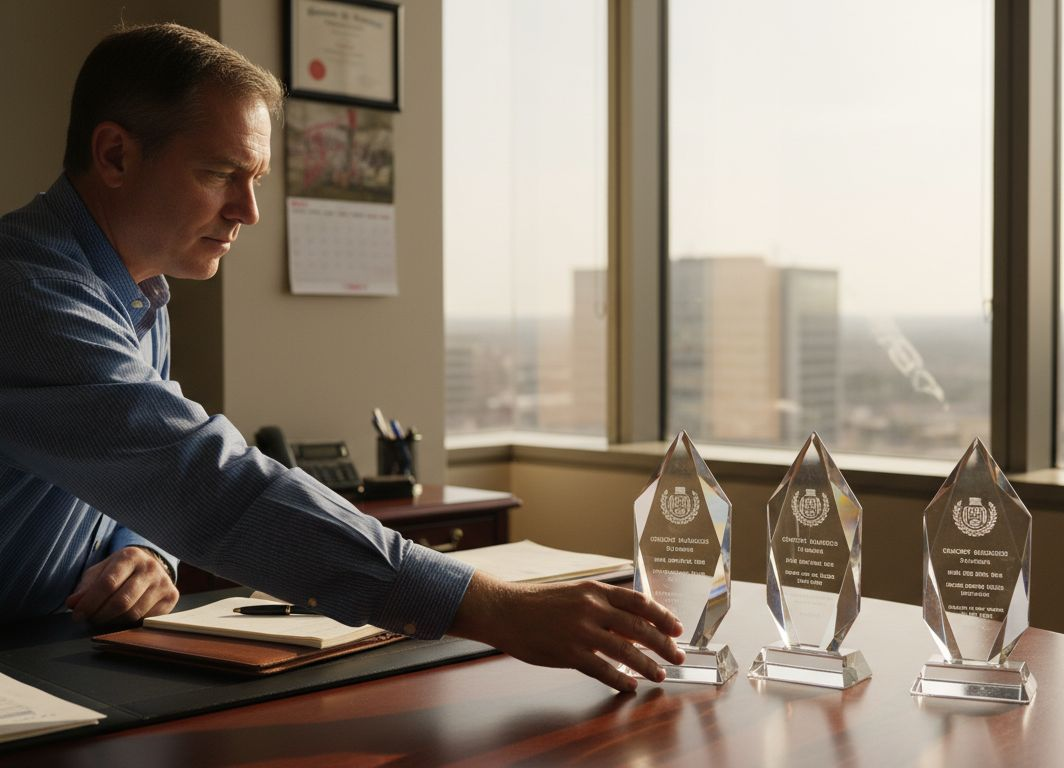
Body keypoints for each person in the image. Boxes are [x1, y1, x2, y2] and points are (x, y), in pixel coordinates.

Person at [0, 22, 683, 692]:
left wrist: (141, 546)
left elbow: (120, 463)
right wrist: (499, 609)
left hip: (44, 654)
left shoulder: (137, 292)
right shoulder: (26, 295)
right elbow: (205, 484)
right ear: (115, 155)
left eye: (257, 178)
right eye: (219, 173)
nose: (248, 211)